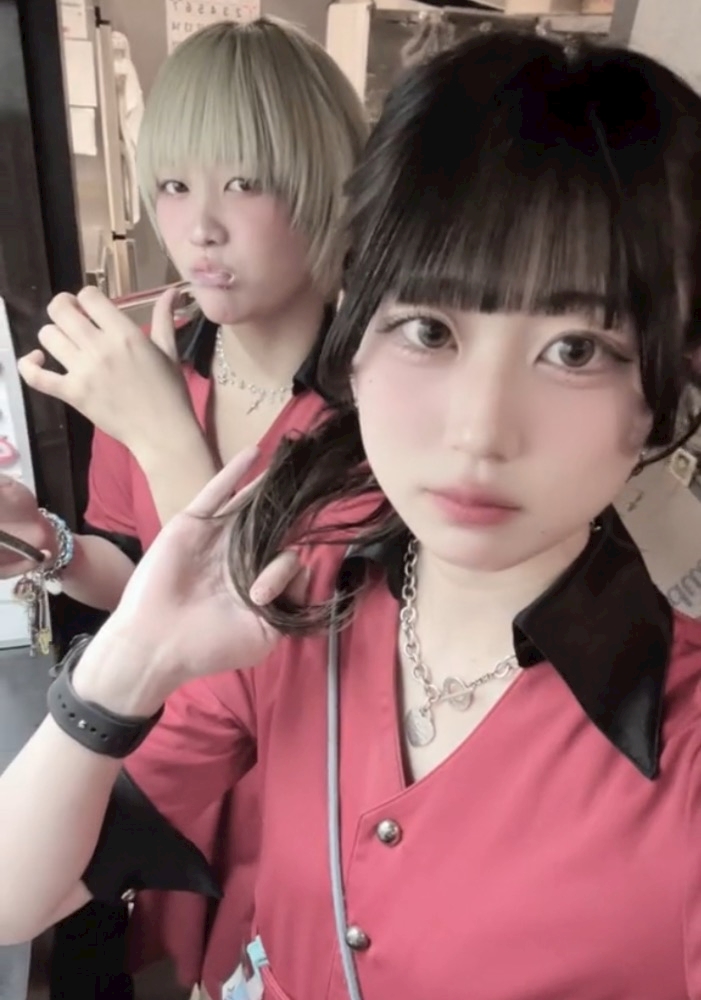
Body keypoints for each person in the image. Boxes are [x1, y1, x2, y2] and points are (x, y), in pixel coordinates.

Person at [2, 27, 701, 1000]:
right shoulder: (305, 585)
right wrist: (130, 657)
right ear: (358, 343)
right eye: (428, 330)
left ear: (659, 396)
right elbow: (16, 896)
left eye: (575, 350)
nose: (478, 430)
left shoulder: (680, 753)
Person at [0, 16, 366, 998]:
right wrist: (49, 544)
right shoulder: (164, 368)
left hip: (312, 805)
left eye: (242, 183)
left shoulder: (382, 406)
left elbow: (276, 640)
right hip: (169, 774)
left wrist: (163, 433)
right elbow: (142, 577)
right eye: (171, 185)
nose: (198, 228)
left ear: (325, 182)